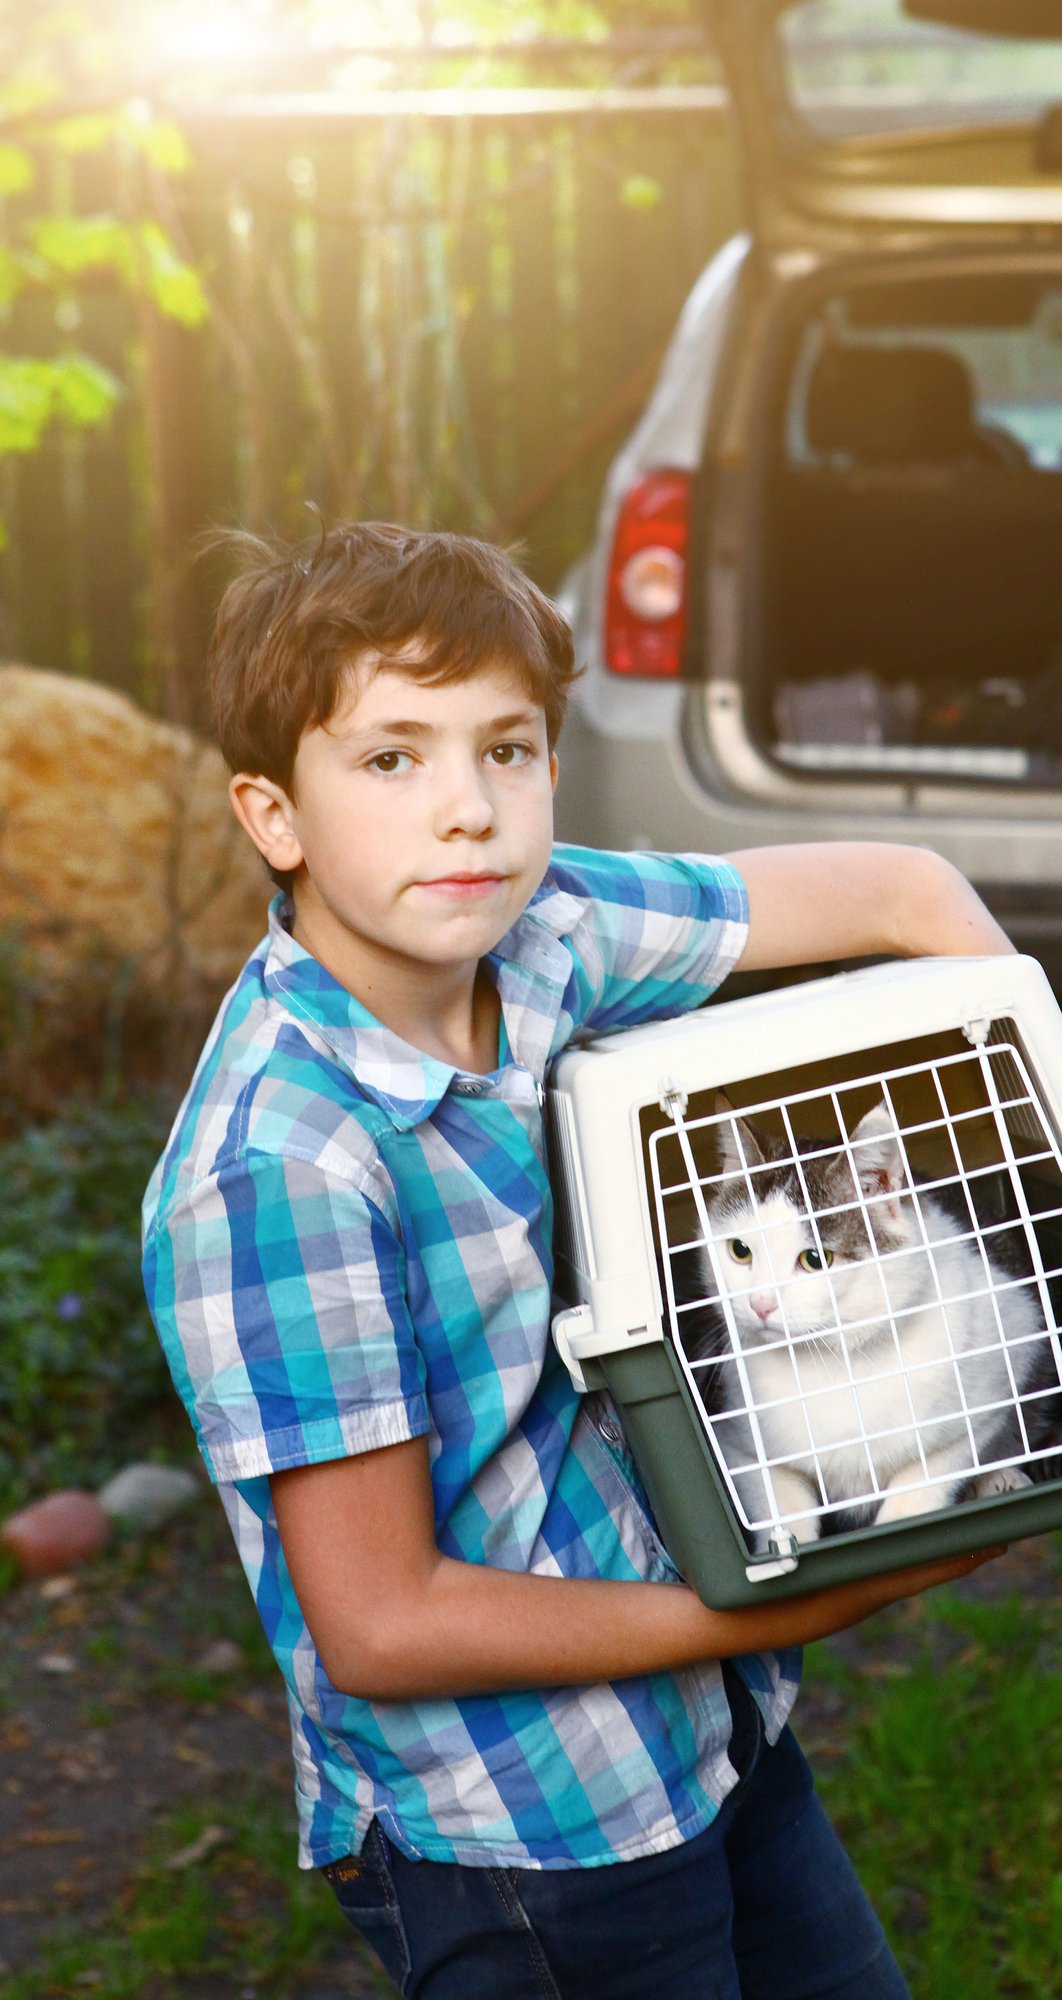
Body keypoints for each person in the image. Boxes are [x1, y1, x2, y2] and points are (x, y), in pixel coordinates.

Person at [141, 520, 1013, 1999]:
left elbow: (906, 889)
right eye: (392, 760)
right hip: (517, 1830)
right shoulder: (278, 1170)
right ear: (273, 814)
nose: (467, 812)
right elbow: (384, 1622)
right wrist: (773, 1605)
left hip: (707, 1732)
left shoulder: (541, 938)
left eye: (511, 750)